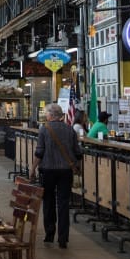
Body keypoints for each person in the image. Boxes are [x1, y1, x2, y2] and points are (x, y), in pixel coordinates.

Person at [34, 103, 82, 248]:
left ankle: (49, 234)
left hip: (47, 170)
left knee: (48, 201)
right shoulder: (70, 130)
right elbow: (77, 152)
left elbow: (39, 153)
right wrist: (78, 168)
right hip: (66, 171)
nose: (46, 116)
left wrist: (32, 168)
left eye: (47, 113)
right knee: (63, 203)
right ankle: (63, 238)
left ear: (51, 115)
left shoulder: (44, 129)